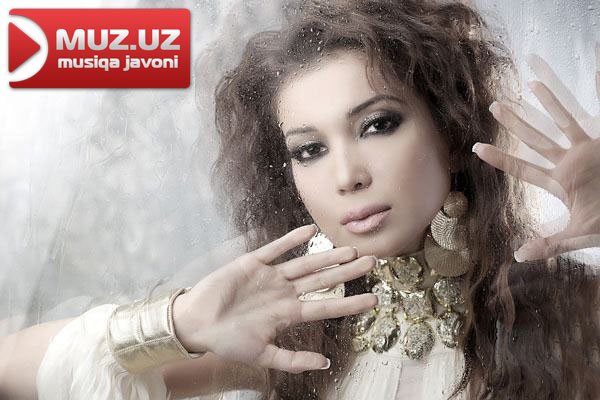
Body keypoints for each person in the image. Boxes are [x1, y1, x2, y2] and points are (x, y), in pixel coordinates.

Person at [1, 0, 599, 399]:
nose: (347, 176)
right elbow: (12, 371)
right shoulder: (297, 327)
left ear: (448, 132)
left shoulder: (566, 307)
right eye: (309, 150)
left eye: (378, 125)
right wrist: (178, 322)